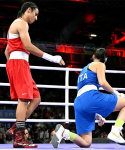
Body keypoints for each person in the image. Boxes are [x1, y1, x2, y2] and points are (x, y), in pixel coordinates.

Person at [4, 1, 65, 148]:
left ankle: (15, 129)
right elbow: (28, 46)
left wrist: (14, 64)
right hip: (19, 64)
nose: (36, 18)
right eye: (35, 14)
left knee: (36, 98)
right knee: (24, 99)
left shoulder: (16, 25)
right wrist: (52, 58)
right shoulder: (22, 23)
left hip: (19, 64)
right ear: (28, 10)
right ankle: (19, 137)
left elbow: (7, 51)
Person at [51, 48, 125, 148]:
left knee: (86, 143)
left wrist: (97, 115)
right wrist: (116, 93)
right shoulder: (100, 64)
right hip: (90, 97)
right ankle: (115, 131)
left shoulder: (83, 70)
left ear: (94, 56)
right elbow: (102, 83)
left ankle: (64, 133)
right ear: (105, 59)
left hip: (79, 102)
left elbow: (86, 98)